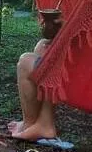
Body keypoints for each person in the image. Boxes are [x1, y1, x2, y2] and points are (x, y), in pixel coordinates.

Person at [8, 11, 64, 141]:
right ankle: (44, 123)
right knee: (42, 47)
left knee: (25, 62)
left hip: (88, 76)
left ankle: (30, 125)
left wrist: (66, 25)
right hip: (86, 64)